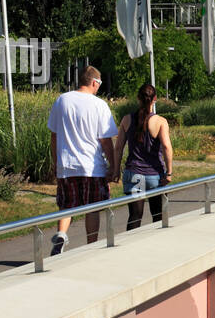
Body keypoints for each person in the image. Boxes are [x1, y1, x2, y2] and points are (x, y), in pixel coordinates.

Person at [47, 66, 118, 254]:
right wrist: (113, 165)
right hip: (92, 167)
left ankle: (61, 234)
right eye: (99, 84)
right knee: (92, 207)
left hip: (66, 165)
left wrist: (56, 162)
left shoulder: (62, 100)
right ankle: (91, 245)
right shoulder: (98, 105)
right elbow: (105, 140)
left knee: (66, 205)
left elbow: (53, 136)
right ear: (95, 82)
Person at [112, 82, 173, 230]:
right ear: (155, 99)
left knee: (135, 216)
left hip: (133, 174)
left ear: (138, 98)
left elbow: (118, 147)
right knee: (158, 216)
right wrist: (169, 172)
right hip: (155, 176)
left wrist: (115, 171)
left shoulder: (127, 119)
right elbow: (166, 147)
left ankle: (130, 248)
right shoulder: (160, 121)